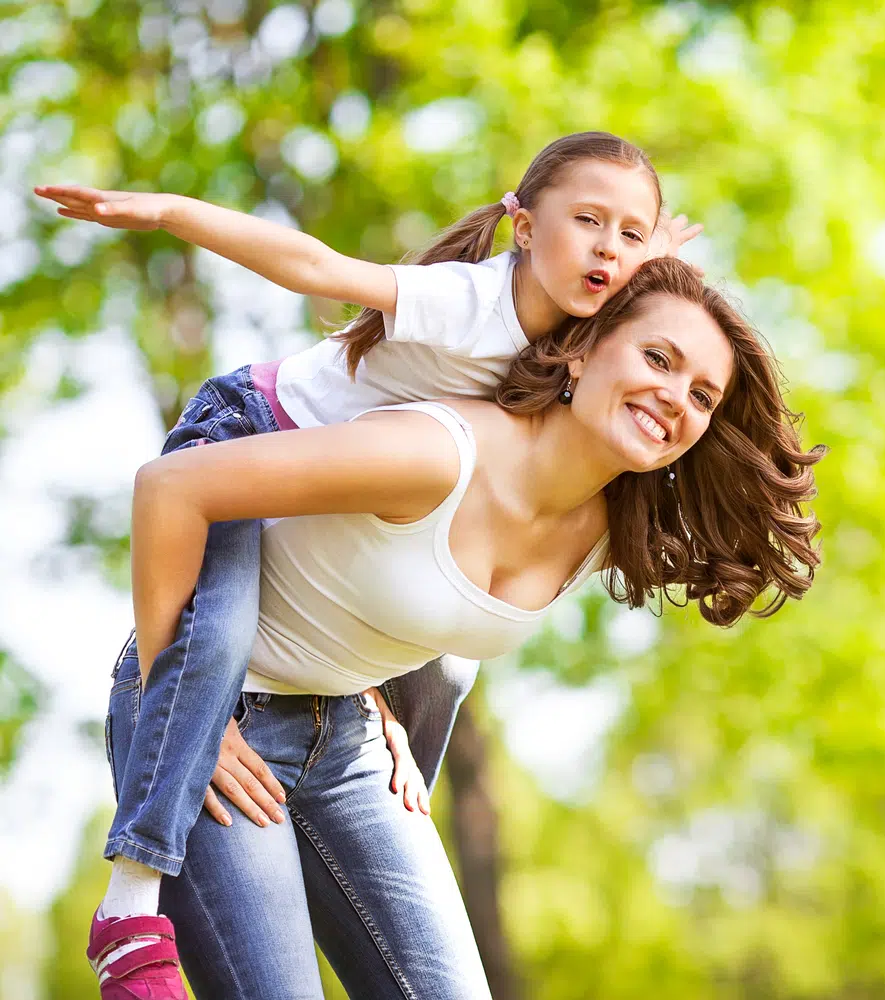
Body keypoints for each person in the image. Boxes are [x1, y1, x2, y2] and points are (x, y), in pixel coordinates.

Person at [36, 132, 702, 997]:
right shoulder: (470, 303)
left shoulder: (584, 354)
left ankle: (370, 775)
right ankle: (131, 906)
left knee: (452, 658)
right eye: (587, 222)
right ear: (522, 226)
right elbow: (312, 264)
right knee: (219, 636)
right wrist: (169, 212)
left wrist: (658, 269)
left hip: (338, 560)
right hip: (256, 431)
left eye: (630, 234)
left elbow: (654, 324)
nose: (609, 248)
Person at [98, 255, 825, 998]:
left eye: (702, 394)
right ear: (580, 349)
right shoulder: (437, 452)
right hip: (219, 716)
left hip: (349, 738)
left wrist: (382, 698)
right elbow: (173, 488)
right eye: (657, 357)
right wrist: (183, 717)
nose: (674, 397)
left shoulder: (616, 526)